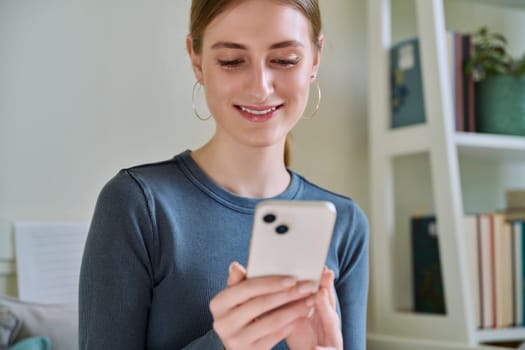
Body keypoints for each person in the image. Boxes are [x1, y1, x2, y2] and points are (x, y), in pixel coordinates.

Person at [78, 0, 369, 349]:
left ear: (315, 59)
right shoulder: (138, 205)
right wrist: (222, 344)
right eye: (232, 61)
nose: (260, 87)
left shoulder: (346, 225)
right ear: (196, 60)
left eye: (284, 60)